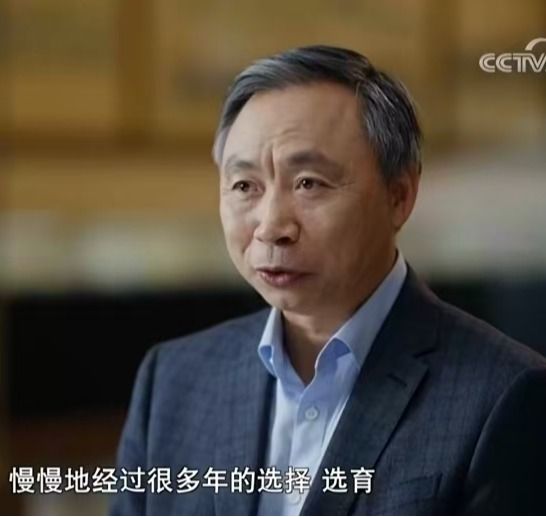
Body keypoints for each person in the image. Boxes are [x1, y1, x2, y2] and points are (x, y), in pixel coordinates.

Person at [110, 45, 546, 515]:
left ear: (399, 196)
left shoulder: (505, 395)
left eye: (309, 183)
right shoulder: (173, 381)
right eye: (245, 186)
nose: (272, 226)